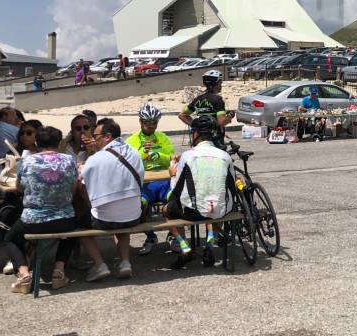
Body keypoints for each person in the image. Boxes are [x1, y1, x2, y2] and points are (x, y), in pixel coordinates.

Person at [4, 126, 78, 293]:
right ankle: (58, 270)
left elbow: (20, 187)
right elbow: (73, 186)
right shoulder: (69, 160)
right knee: (72, 232)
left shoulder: (27, 161)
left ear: (37, 141)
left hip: (34, 220)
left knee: (10, 239)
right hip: (64, 218)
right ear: (59, 143)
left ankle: (23, 274)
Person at [164, 115, 237, 268]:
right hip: (221, 211)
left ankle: (185, 248)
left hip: (193, 213)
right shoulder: (225, 156)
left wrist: (172, 175)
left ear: (195, 134)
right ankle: (209, 245)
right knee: (215, 206)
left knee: (166, 210)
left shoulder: (187, 156)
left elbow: (176, 191)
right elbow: (232, 186)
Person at [77, 118, 144, 282]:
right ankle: (125, 262)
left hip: (106, 220)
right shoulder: (133, 152)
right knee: (123, 211)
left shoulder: (96, 159)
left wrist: (81, 165)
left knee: (78, 224)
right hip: (134, 216)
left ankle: (100, 265)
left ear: (107, 136)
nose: (94, 138)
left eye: (96, 135)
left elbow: (82, 181)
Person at [126, 102, 175, 255]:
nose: (151, 125)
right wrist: (142, 154)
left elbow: (171, 159)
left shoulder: (163, 138)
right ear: (140, 121)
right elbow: (128, 162)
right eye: (147, 122)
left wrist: (158, 156)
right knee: (138, 207)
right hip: (143, 184)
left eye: (154, 122)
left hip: (163, 181)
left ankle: (174, 236)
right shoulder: (131, 141)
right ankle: (150, 236)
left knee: (175, 203)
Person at [178, 70, 233, 148]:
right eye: (220, 83)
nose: (221, 85)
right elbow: (222, 121)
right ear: (217, 84)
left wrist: (197, 125)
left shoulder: (198, 99)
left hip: (199, 140)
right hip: (215, 140)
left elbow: (182, 115)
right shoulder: (218, 99)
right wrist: (230, 116)